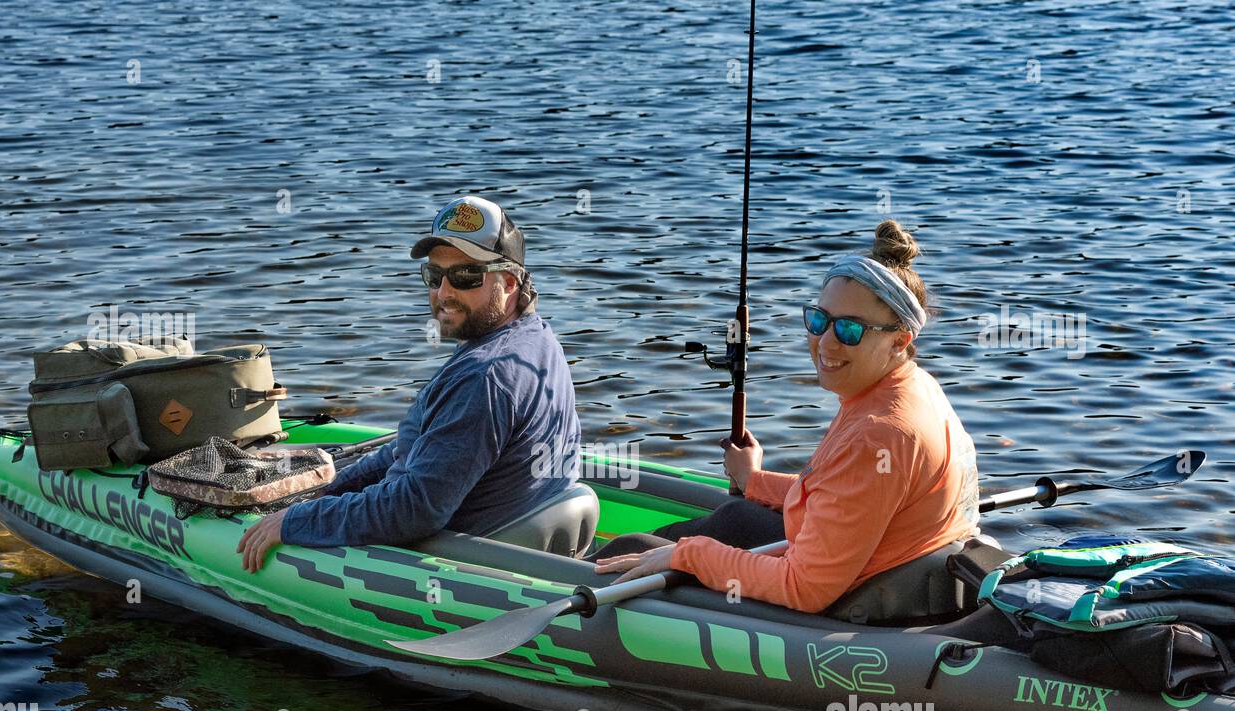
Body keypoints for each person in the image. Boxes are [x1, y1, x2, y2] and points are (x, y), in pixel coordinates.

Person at [593, 220, 980, 614]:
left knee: (636, 549)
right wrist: (754, 481)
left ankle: (568, 591)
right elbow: (842, 492)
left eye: (850, 330)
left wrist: (688, 556)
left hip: (850, 609)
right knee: (736, 516)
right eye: (818, 320)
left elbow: (804, 589)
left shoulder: (879, 435)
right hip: (879, 573)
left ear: (900, 340)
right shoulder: (912, 388)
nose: (825, 342)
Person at [239, 195, 581, 572]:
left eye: (467, 276)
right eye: (435, 276)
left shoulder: (485, 377)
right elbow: (411, 449)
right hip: (510, 531)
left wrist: (294, 522)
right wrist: (325, 492)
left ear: (511, 283)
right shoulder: (536, 338)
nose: (445, 293)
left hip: (457, 559)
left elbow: (413, 509)